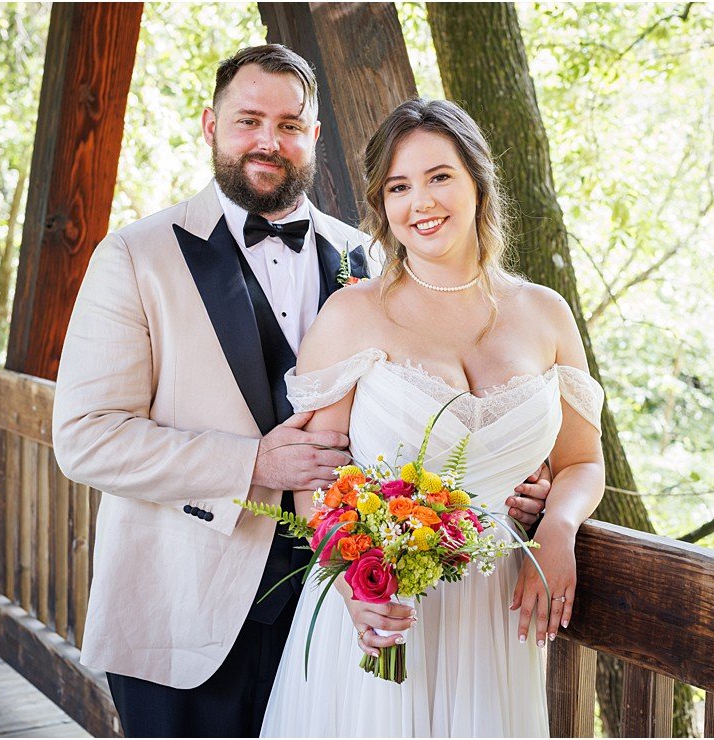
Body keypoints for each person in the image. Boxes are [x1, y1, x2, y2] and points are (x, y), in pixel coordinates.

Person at [52, 46, 552, 738]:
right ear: (210, 125)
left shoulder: (370, 260)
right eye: (249, 120)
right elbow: (85, 439)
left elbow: (443, 399)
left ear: (314, 136)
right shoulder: (136, 257)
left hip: (346, 614)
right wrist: (252, 465)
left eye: (290, 124)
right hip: (188, 614)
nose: (269, 140)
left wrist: (518, 478)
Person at [258, 98, 607, 737]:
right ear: (382, 205)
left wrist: (559, 527)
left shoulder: (546, 314)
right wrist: (351, 590)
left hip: (496, 613)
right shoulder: (352, 314)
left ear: (477, 180)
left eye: (439, 176)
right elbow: (314, 480)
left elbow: (583, 460)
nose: (421, 202)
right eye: (399, 187)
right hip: (380, 613)